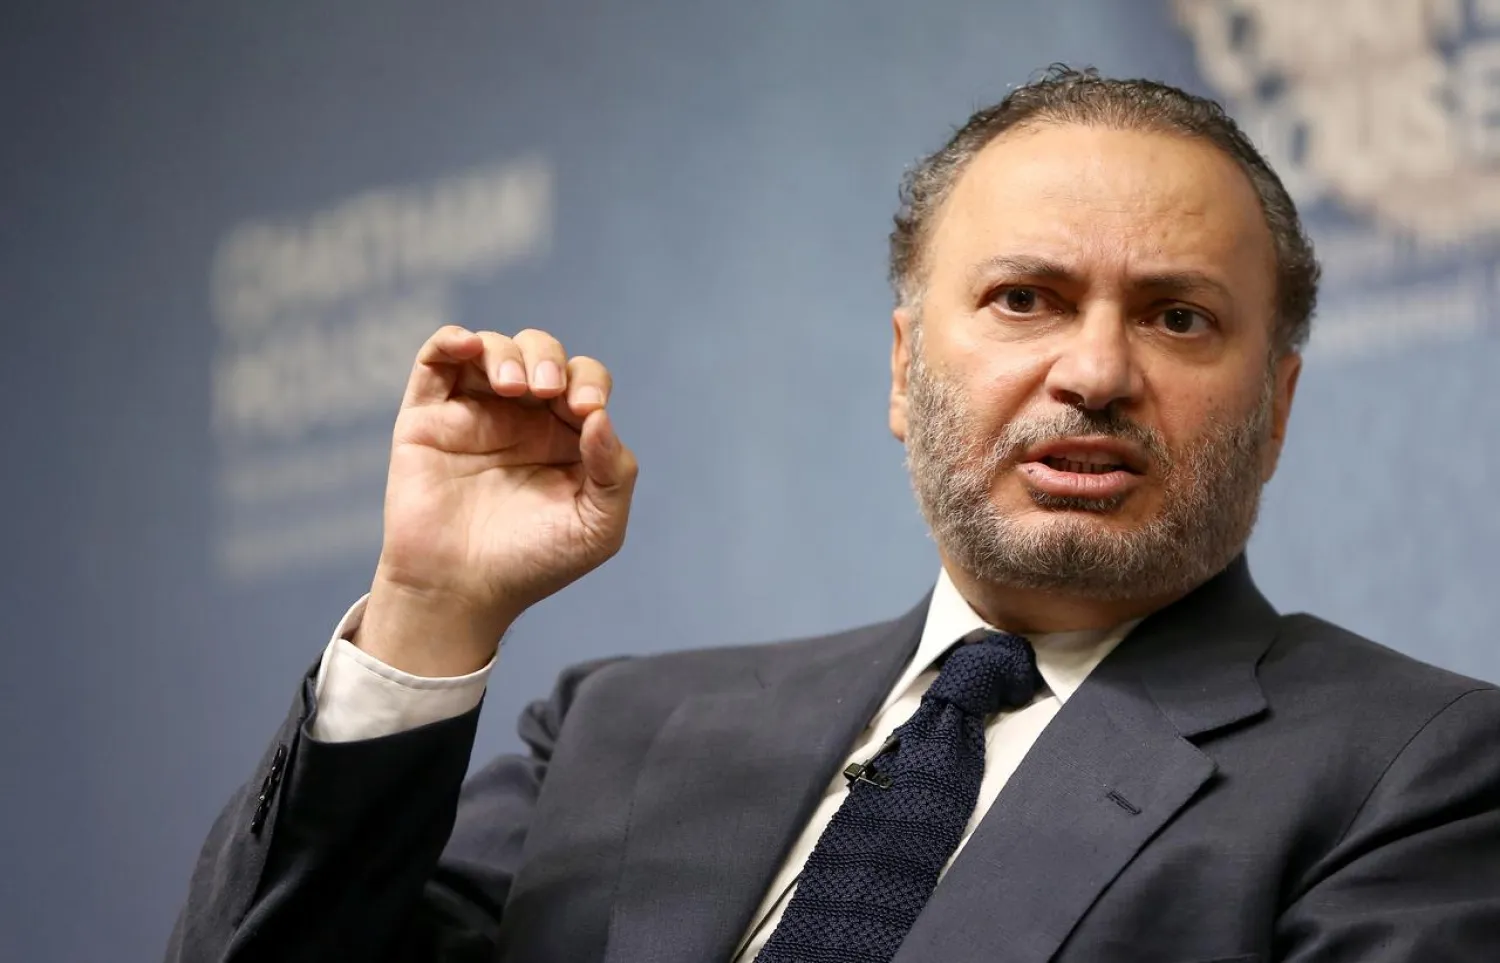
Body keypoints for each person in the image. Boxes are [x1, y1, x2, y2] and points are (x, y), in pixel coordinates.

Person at [167, 68, 1500, 963]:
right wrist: (432, 608)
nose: (1095, 373)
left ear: (1276, 403)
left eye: (1177, 316)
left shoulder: (1418, 773)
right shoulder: (622, 728)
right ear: (903, 370)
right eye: (1025, 298)